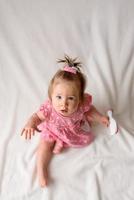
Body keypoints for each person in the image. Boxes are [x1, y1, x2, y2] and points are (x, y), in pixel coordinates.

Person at [21, 55, 109, 188]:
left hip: (72, 131)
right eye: (59, 97)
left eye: (71, 98)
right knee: (44, 146)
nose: (64, 103)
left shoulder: (81, 105)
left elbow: (90, 111)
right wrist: (31, 124)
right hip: (52, 131)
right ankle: (41, 170)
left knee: (87, 120)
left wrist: (101, 118)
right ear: (51, 96)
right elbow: (37, 117)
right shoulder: (49, 109)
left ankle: (62, 143)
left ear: (79, 99)